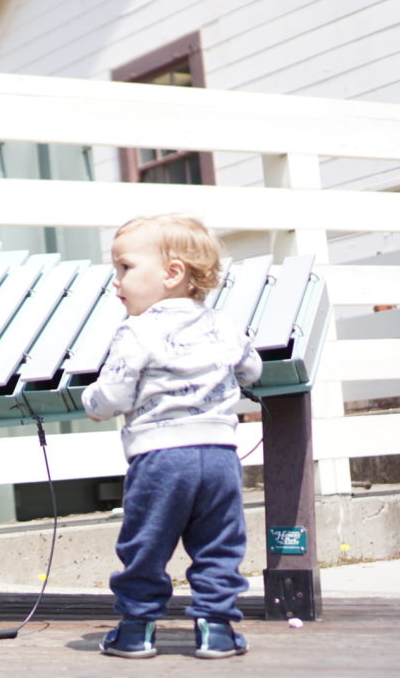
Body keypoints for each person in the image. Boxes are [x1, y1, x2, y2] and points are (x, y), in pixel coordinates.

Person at [81, 213, 262, 660]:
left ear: (172, 273)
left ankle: (136, 629)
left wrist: (90, 401)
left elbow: (115, 394)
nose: (116, 281)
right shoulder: (223, 324)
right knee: (219, 542)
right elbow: (251, 370)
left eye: (124, 268)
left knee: (146, 541)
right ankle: (216, 628)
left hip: (161, 458)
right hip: (219, 455)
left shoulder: (136, 330)